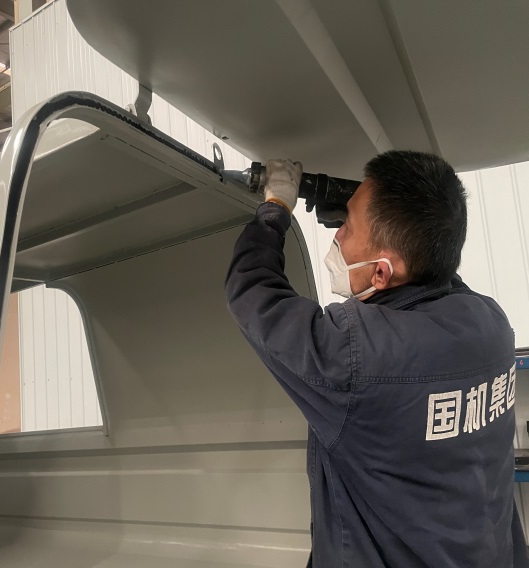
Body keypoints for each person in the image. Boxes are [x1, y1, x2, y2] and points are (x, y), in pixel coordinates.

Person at [225, 151, 528, 568]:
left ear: (382, 272)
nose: (339, 234)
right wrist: (359, 212)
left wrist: (276, 207)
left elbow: (253, 292)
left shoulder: (355, 354)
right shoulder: (492, 323)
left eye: (347, 226)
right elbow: (433, 266)